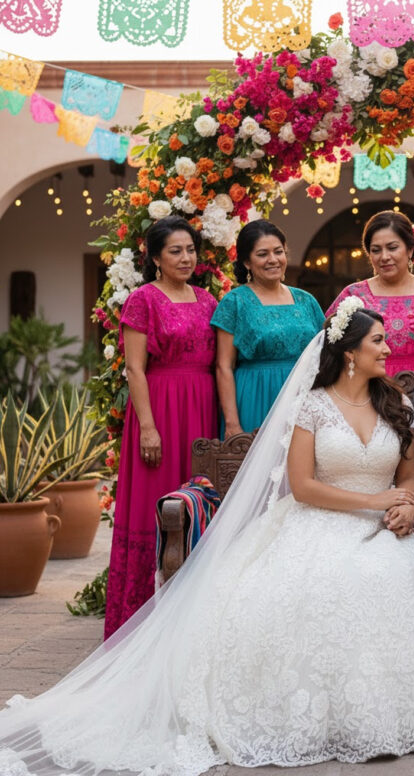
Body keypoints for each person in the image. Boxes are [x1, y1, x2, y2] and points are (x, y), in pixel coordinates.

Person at [0, 298, 414, 774]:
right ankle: (307, 717)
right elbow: (301, 487)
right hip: (315, 520)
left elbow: (409, 476)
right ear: (349, 352)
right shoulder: (314, 406)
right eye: (378, 341)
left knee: (387, 576)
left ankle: (376, 716)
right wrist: (374, 501)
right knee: (317, 585)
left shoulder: (397, 403)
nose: (389, 348)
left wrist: (407, 504)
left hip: (384, 529)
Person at [104, 215, 218, 639]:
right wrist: (147, 428)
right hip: (161, 409)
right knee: (157, 509)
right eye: (175, 250)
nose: (186, 257)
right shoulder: (143, 300)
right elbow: (134, 369)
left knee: (199, 506)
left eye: (190, 249)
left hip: (202, 410)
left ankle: (192, 627)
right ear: (155, 258)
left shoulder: (208, 301)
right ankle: (141, 627)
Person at [211, 220, 324, 437]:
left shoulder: (306, 300)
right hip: (255, 395)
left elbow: (324, 354)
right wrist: (232, 422)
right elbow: (223, 366)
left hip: (303, 397)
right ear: (246, 262)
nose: (273, 260)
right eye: (262, 254)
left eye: (278, 252)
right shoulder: (235, 302)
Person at [327, 210, 414, 378]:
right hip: (370, 389)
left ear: (410, 249)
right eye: (376, 250)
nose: (384, 257)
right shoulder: (353, 294)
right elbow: (330, 347)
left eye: (392, 248)